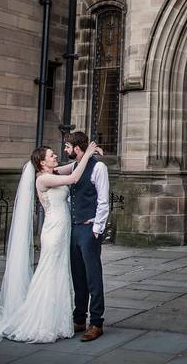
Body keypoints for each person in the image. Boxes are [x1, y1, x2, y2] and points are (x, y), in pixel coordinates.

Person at [0, 143, 100, 343]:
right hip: (53, 232)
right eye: (52, 156)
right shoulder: (43, 179)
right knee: (49, 272)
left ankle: (57, 321)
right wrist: (87, 153)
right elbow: (74, 177)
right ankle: (40, 321)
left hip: (62, 231)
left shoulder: (52, 172)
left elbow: (72, 167)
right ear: (42, 163)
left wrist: (82, 155)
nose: (56, 157)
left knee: (60, 273)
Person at [65, 131, 109, 342]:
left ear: (77, 148)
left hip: (89, 229)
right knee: (78, 276)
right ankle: (79, 318)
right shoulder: (74, 167)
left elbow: (103, 200)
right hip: (74, 228)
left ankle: (97, 322)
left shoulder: (98, 167)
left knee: (93, 277)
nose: (65, 150)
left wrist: (97, 229)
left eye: (67, 147)